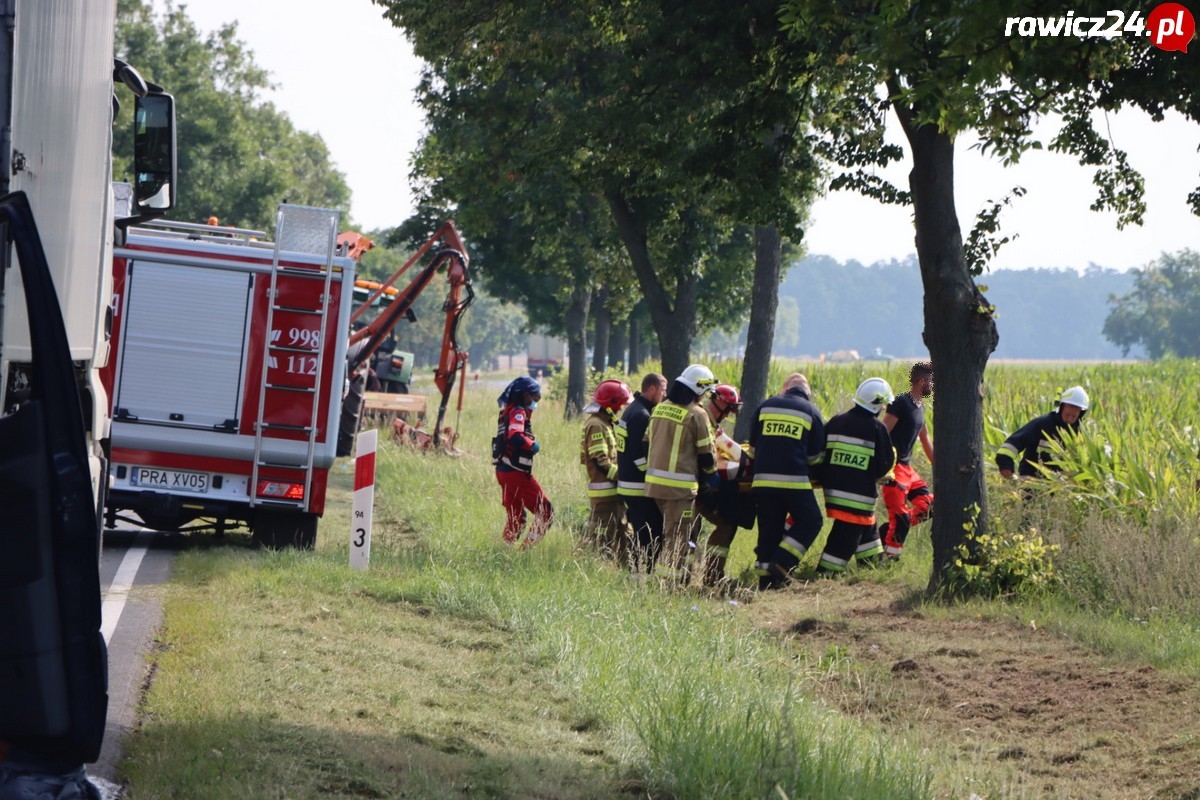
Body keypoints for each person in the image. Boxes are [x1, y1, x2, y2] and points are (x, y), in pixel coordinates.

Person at [748, 372, 826, 590]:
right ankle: (783, 562)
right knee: (811, 520)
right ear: (807, 393)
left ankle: (766, 582)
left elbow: (752, 450)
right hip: (794, 483)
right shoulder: (811, 412)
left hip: (762, 483)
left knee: (768, 530)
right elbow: (815, 457)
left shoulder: (765, 406)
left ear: (786, 388)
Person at [813, 377, 897, 575]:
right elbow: (884, 465)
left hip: (833, 493)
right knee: (845, 537)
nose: (884, 408)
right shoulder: (877, 428)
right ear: (876, 404)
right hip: (859, 498)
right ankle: (827, 573)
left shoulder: (836, 421)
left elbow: (819, 451)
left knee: (867, 527)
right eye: (883, 404)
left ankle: (872, 564)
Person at [644, 364, 718, 584]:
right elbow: (706, 456)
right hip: (680, 489)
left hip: (655, 487)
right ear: (698, 389)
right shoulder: (697, 414)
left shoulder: (660, 408)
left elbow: (646, 442)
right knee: (677, 540)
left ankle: (676, 582)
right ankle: (667, 589)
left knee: (670, 536)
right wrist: (712, 478)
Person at [695, 383, 752, 586]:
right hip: (693, 487)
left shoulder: (712, 425)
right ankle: (709, 577)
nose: (728, 415)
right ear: (718, 402)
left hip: (698, 485)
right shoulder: (702, 420)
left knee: (726, 523)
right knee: (724, 524)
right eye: (728, 409)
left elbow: (731, 451)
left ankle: (710, 576)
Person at [880, 361, 935, 559]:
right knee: (900, 518)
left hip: (908, 470)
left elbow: (925, 439)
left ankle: (889, 529)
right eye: (932, 381)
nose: (933, 385)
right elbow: (883, 432)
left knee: (929, 506)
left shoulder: (920, 407)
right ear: (922, 381)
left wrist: (939, 466)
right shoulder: (901, 402)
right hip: (894, 468)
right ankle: (889, 559)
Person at [615, 372, 668, 573]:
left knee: (643, 531)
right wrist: (653, 475)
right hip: (638, 486)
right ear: (652, 389)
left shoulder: (632, 410)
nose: (664, 395)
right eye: (662, 390)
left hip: (629, 484)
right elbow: (638, 454)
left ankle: (638, 572)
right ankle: (640, 573)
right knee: (649, 533)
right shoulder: (641, 415)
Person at [493, 376, 552, 547]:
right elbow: (516, 436)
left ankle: (501, 554)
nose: (535, 403)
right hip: (515, 472)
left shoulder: (507, 411)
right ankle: (526, 552)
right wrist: (532, 445)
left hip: (503, 471)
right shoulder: (518, 412)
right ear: (525, 395)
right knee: (546, 513)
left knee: (517, 518)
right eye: (535, 398)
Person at [580, 379, 634, 560]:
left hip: (614, 495)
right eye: (619, 405)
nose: (620, 410)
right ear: (610, 405)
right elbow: (599, 461)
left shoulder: (605, 423)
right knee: (600, 545)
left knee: (624, 542)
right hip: (605, 496)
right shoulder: (596, 425)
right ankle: (596, 576)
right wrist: (623, 476)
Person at [996, 385, 1090, 479]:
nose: (1069, 419)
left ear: (1081, 414)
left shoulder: (1079, 433)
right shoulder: (1043, 424)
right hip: (1032, 479)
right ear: (1061, 407)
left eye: (1073, 416)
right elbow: (1014, 443)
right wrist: (1005, 464)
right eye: (1067, 414)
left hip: (1059, 483)